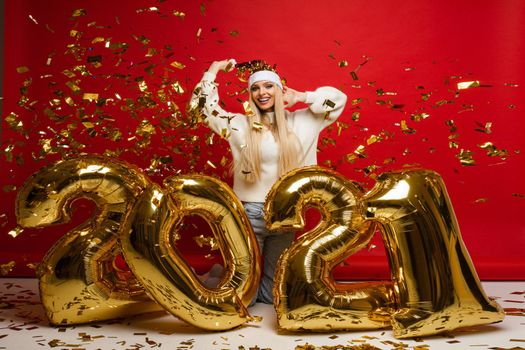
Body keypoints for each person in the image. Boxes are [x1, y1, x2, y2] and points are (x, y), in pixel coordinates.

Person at [189, 58, 347, 304]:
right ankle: (205, 279)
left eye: (268, 86)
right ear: (250, 94)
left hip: (285, 214)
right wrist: (213, 70)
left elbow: (338, 100)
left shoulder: (303, 121)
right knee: (245, 298)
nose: (262, 92)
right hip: (249, 213)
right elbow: (202, 109)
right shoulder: (239, 124)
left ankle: (221, 272)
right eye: (255, 88)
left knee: (269, 295)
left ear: (279, 89)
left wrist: (302, 97)